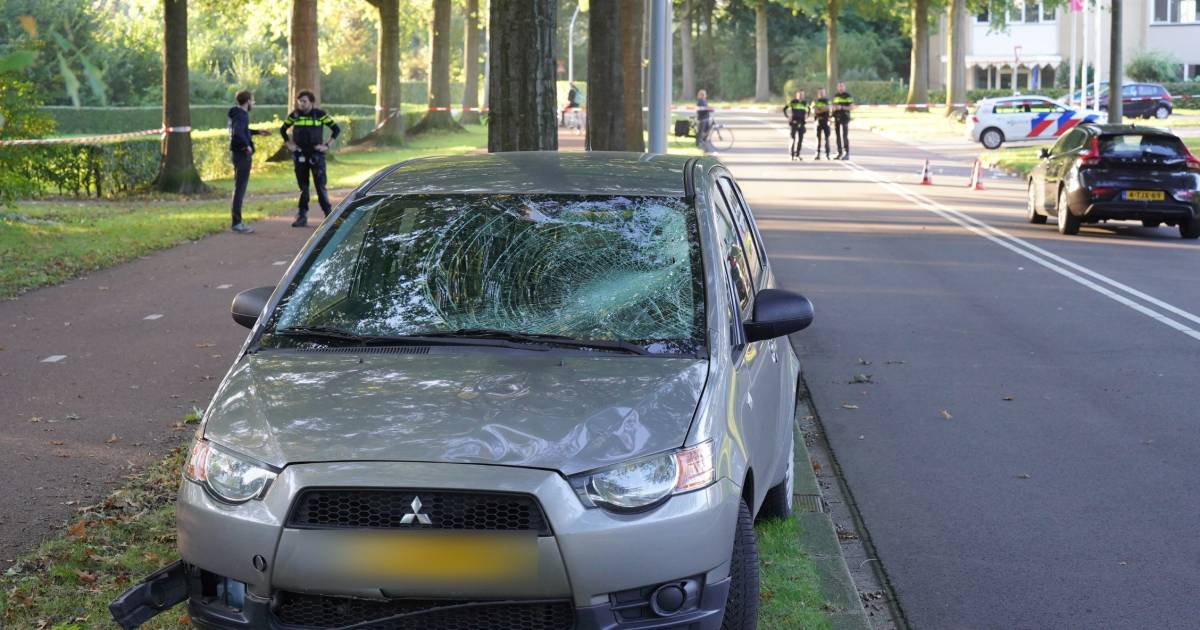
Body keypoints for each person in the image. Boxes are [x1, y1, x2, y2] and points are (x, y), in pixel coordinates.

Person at [281, 90, 341, 227]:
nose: (301, 104)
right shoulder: (295, 115)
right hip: (300, 154)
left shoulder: (320, 115)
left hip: (316, 155)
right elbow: (283, 129)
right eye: (300, 101)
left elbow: (336, 129)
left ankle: (328, 215)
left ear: (311, 102)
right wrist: (289, 144)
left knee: (320, 186)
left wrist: (326, 145)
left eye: (304, 101)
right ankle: (302, 216)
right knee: (304, 188)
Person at [227, 90, 271, 234]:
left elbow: (242, 130)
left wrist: (257, 132)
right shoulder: (241, 115)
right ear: (247, 101)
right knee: (240, 188)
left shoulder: (236, 114)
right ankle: (237, 222)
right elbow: (238, 133)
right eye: (253, 100)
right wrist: (247, 146)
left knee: (239, 187)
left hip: (237, 154)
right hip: (242, 155)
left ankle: (237, 221)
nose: (254, 103)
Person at [782, 90, 809, 161]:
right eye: (799, 95)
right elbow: (784, 109)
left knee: (800, 140)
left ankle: (798, 154)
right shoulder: (793, 102)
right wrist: (788, 117)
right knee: (792, 139)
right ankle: (791, 155)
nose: (801, 96)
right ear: (797, 95)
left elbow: (809, 110)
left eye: (802, 95)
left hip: (802, 123)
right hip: (794, 123)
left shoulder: (805, 103)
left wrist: (807, 116)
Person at [833, 81, 854, 160]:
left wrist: (842, 107)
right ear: (837, 87)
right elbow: (834, 106)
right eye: (839, 86)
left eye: (842, 86)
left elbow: (851, 107)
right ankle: (839, 152)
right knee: (837, 135)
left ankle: (846, 152)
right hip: (836, 117)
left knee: (844, 135)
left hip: (845, 117)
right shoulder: (836, 96)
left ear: (844, 87)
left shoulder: (847, 96)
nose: (840, 88)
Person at [812, 88, 832, 160]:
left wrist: (820, 109)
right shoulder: (815, 101)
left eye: (823, 92)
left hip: (826, 121)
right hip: (818, 122)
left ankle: (827, 154)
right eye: (820, 93)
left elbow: (829, 108)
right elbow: (814, 110)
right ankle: (817, 154)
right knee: (818, 138)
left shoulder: (827, 100)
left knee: (827, 138)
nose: (821, 94)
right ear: (818, 94)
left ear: (825, 93)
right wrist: (823, 109)